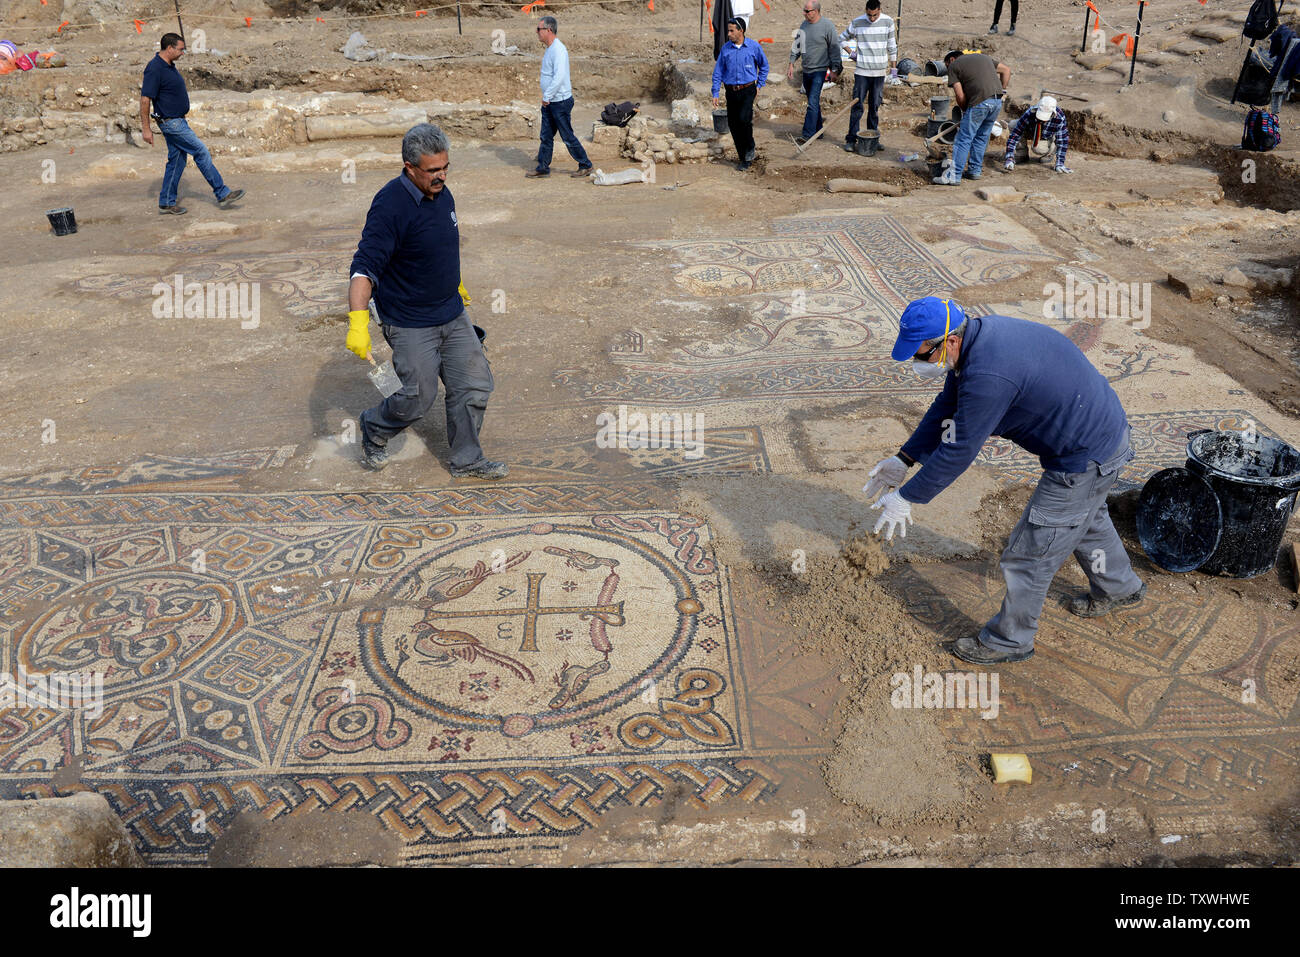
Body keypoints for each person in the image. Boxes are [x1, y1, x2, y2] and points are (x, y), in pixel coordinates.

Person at [863, 296, 1145, 665]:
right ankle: (1120, 588)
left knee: (1028, 553)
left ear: (949, 340)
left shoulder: (989, 376)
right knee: (1086, 518)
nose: (919, 363)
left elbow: (960, 448)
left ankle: (1009, 641)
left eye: (922, 355)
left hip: (1084, 456)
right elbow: (946, 410)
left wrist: (908, 496)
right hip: (1100, 437)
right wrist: (904, 458)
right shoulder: (979, 340)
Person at [346, 123, 507, 480]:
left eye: (445, 167)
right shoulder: (390, 205)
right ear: (409, 167)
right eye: (433, 170)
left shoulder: (443, 195)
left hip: (451, 311)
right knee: (418, 397)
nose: (442, 176)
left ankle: (467, 460)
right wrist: (358, 323)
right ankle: (375, 426)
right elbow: (364, 268)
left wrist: (455, 282)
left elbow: (437, 246)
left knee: (474, 386)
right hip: (409, 320)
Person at [139, 33, 244, 215]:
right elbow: (145, 99)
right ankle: (222, 193)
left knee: (177, 160)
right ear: (169, 48)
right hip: (172, 123)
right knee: (201, 151)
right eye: (180, 49)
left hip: (178, 121)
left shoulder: (169, 66)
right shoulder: (155, 68)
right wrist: (146, 128)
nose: (183, 53)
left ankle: (166, 201)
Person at [526, 16, 593, 179]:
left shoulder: (559, 49)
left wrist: (547, 96)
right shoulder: (550, 49)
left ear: (549, 30)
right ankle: (542, 167)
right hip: (551, 102)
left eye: (539, 29)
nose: (537, 32)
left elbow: (559, 77)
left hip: (559, 102)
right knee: (546, 136)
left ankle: (585, 164)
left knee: (567, 136)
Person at [933, 49, 1010, 184]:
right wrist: (1002, 91)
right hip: (996, 101)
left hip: (980, 102)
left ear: (951, 60)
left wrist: (965, 110)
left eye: (946, 66)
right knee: (981, 137)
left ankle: (954, 176)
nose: (947, 69)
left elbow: (960, 95)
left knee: (963, 139)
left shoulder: (953, 66)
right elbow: (1006, 70)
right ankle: (974, 171)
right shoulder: (984, 58)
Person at [711, 18, 770, 171]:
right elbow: (718, 72)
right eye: (728, 30)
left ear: (741, 31)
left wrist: (760, 85)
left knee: (744, 119)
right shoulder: (725, 49)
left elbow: (764, 66)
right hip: (731, 91)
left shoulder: (753, 47)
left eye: (732, 31)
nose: (728, 34)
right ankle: (742, 156)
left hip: (748, 89)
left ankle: (749, 149)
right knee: (733, 123)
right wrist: (715, 92)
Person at [839, 0, 896, 152]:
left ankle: (873, 139)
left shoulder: (888, 22)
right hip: (862, 73)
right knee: (857, 106)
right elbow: (842, 39)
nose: (871, 18)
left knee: (874, 106)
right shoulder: (857, 22)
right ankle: (851, 139)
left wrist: (894, 69)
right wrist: (851, 54)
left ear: (880, 10)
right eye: (869, 15)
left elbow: (892, 46)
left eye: (875, 15)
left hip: (879, 73)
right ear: (865, 11)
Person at [788, 1, 842, 145]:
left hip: (820, 70)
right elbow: (797, 45)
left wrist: (835, 70)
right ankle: (819, 130)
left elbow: (835, 48)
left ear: (816, 11)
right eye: (804, 11)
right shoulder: (804, 26)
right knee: (813, 102)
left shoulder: (827, 26)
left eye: (807, 11)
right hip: (807, 71)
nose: (804, 13)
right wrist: (791, 62)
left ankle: (807, 135)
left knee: (812, 103)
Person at [1003, 95, 1072, 173]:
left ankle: (1051, 151)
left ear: (1053, 114)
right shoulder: (1030, 112)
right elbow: (1015, 134)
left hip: (1047, 136)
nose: (1042, 120)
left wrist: (1060, 163)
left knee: (1037, 148)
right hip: (1032, 130)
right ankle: (1022, 154)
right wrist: (1009, 158)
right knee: (1013, 124)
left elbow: (1063, 141)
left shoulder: (1059, 118)